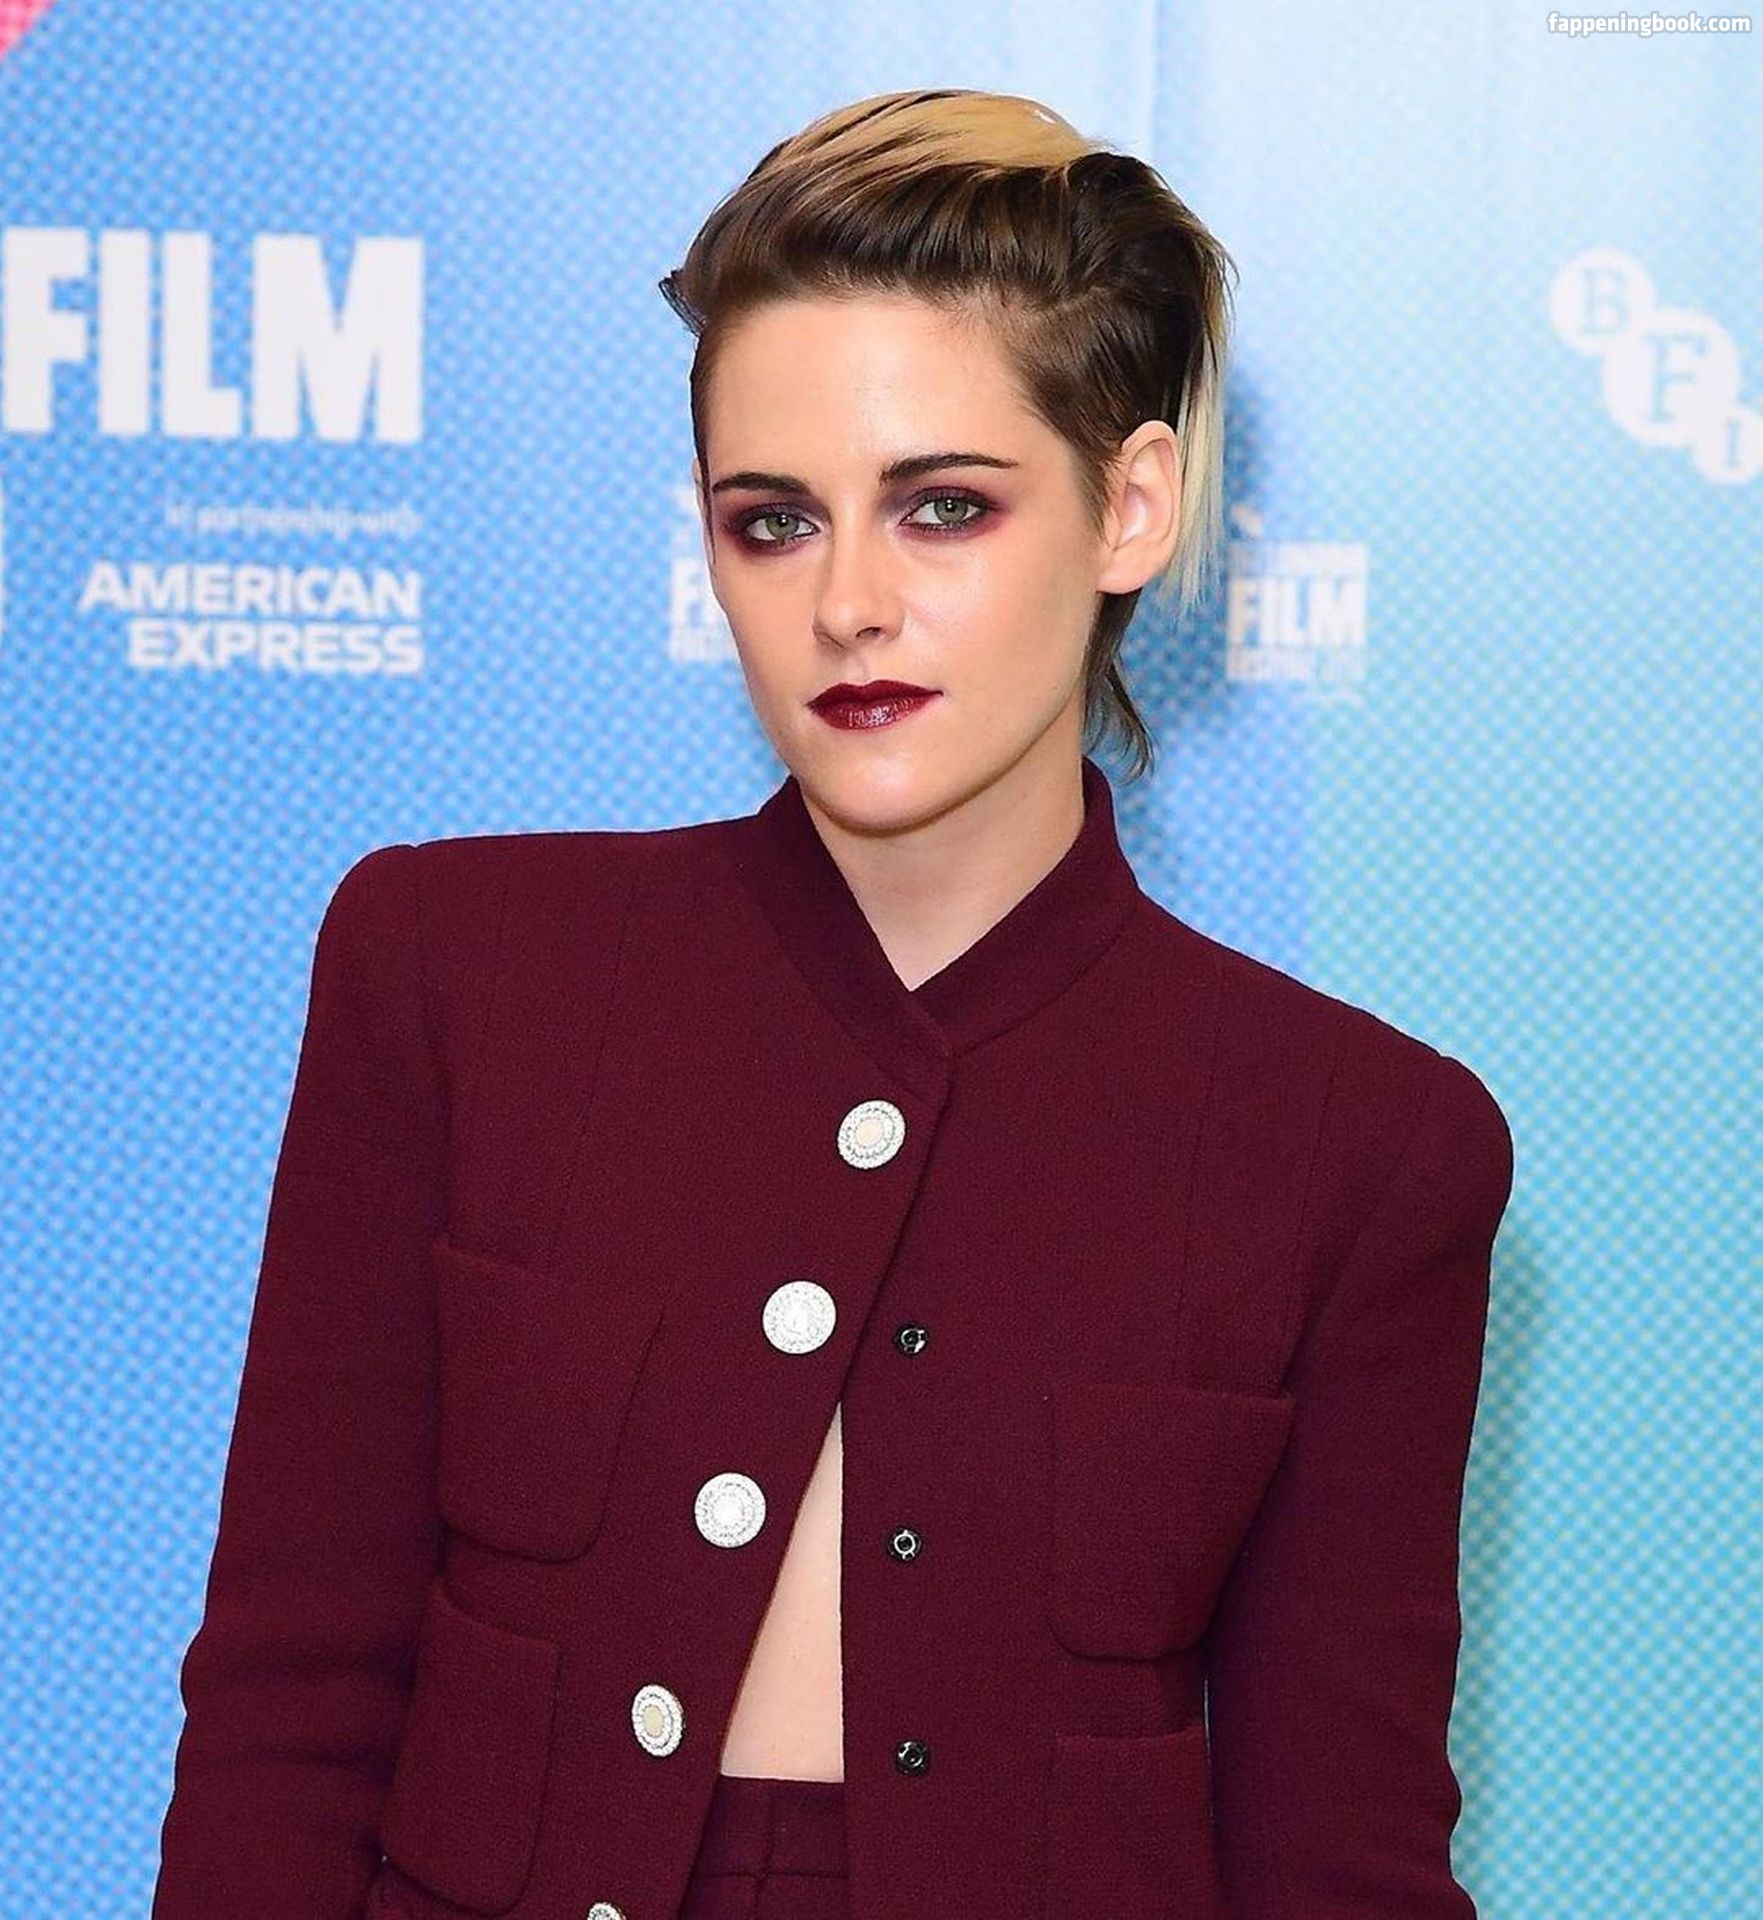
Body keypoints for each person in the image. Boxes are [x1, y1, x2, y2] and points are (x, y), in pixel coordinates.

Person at [153, 87, 1514, 1920]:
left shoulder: (1360, 1144)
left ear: (1131, 506)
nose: (849, 603)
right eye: (773, 521)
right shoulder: (455, 969)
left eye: (944, 507)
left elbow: (1335, 1852)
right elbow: (287, 1714)